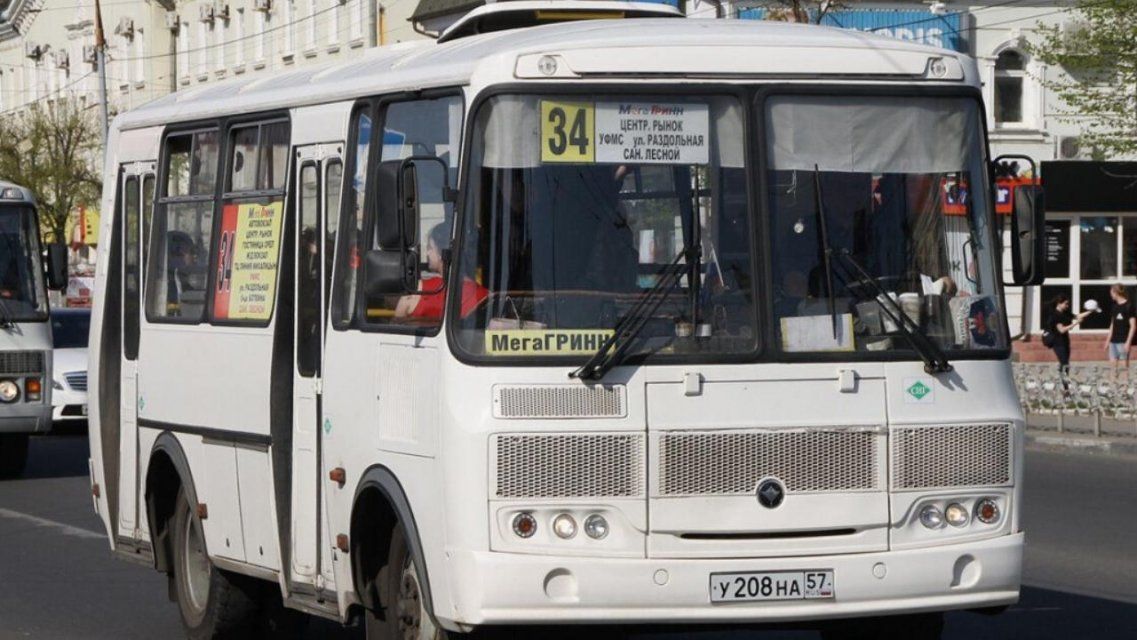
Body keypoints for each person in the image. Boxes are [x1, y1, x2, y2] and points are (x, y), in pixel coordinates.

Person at [394, 223, 487, 320]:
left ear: (443, 252)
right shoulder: (486, 297)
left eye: (430, 247)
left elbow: (395, 331)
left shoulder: (417, 293)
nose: (428, 253)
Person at [1044, 294, 1092, 392]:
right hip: (1058, 342)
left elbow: (1077, 316)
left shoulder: (1064, 312)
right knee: (1064, 363)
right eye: (1065, 304)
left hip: (1065, 341)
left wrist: (1091, 311)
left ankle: (1065, 384)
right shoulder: (1055, 315)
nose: (1067, 306)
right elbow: (1061, 330)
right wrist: (1075, 323)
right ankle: (1065, 388)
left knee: (1066, 364)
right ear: (1059, 303)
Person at [1105, 283, 1136, 383]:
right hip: (1113, 342)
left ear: (1115, 292)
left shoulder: (1129, 306)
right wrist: (1107, 340)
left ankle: (1125, 390)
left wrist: (1128, 342)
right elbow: (1112, 325)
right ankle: (1113, 390)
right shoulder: (1114, 307)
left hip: (1123, 341)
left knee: (1123, 367)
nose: (1110, 295)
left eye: (1111, 293)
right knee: (1113, 367)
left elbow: (1133, 326)